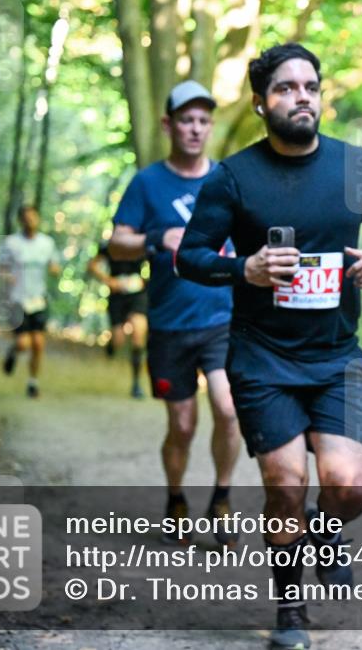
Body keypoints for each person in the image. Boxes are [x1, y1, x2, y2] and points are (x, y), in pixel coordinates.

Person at [176, 43, 362, 650]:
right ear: (261, 102)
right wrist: (243, 268)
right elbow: (190, 256)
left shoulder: (356, 166)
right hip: (262, 357)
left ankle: (326, 531)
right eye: (285, 88)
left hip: (337, 355)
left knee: (349, 488)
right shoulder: (234, 176)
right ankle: (291, 612)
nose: (301, 96)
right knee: (284, 485)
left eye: (310, 86)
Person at [109, 80, 241, 547]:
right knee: (181, 425)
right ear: (169, 125)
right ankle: (175, 497)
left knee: (228, 408)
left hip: (222, 320)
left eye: (204, 120)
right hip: (169, 323)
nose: (196, 128)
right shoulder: (148, 183)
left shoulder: (226, 179)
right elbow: (116, 241)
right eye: (186, 119)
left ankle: (222, 499)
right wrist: (155, 240)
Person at [0, 206, 62, 398]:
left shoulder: (47, 243)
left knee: (38, 343)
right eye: (26, 218)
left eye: (33, 217)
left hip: (39, 299)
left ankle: (33, 383)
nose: (30, 221)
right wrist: (7, 277)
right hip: (18, 299)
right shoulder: (11, 243)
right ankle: (13, 352)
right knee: (23, 343)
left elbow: (55, 265)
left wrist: (55, 270)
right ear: (21, 220)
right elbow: (1, 268)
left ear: (38, 219)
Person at [87, 239, 149, 398]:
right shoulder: (108, 246)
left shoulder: (143, 243)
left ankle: (136, 383)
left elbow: (157, 263)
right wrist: (108, 280)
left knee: (138, 331)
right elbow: (92, 265)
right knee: (119, 339)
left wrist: (145, 281)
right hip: (117, 297)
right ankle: (111, 345)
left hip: (137, 294)